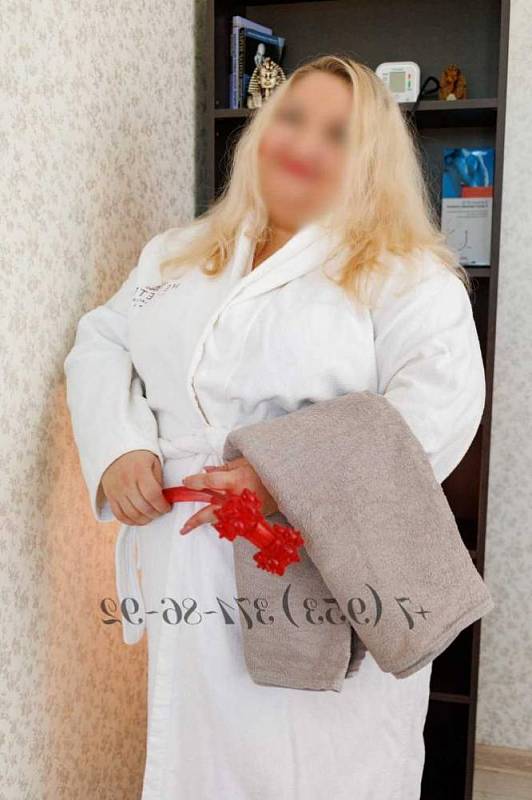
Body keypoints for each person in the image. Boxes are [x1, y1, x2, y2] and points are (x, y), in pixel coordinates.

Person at [64, 55, 486, 800]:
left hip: (317, 561)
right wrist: (119, 445)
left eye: (338, 134)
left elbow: (438, 409)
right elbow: (103, 339)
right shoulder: (178, 253)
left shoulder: (407, 274)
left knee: (325, 765)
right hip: (187, 560)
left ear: (371, 161)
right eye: (292, 118)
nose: (305, 143)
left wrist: (280, 474)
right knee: (201, 763)